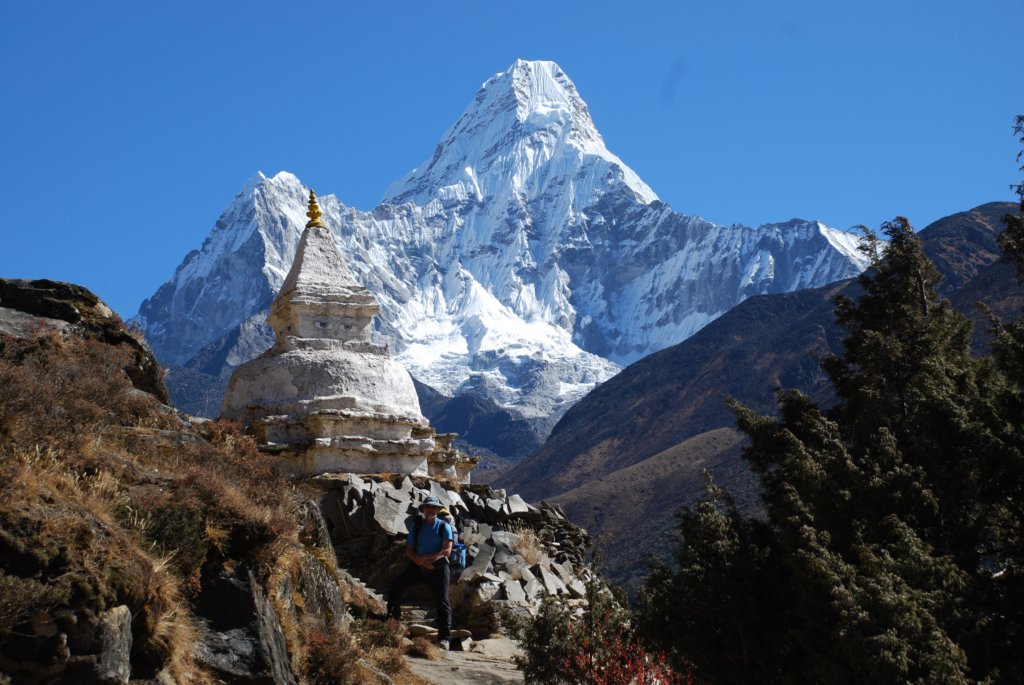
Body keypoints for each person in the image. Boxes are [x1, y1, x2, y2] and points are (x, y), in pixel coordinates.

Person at [386, 495, 454, 648]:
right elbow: (409, 549)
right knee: (397, 585)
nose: (431, 510)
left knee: (443, 600)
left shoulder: (444, 526)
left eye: (434, 507)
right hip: (418, 566)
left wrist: (424, 559)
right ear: (423, 510)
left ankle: (445, 638)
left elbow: (447, 551)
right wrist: (417, 560)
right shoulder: (417, 527)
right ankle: (392, 622)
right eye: (428, 507)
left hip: (438, 568)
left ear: (437, 510)